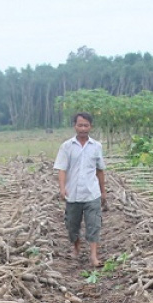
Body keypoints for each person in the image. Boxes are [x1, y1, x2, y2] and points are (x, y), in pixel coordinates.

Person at [54, 112, 108, 266]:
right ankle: (76, 248)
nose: (83, 128)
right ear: (74, 126)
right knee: (72, 225)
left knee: (94, 225)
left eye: (86, 125)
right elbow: (62, 169)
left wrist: (103, 191)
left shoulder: (96, 146)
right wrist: (62, 188)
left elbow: (100, 170)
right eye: (80, 125)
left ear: (90, 127)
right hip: (73, 194)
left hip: (92, 193)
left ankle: (93, 256)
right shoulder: (66, 146)